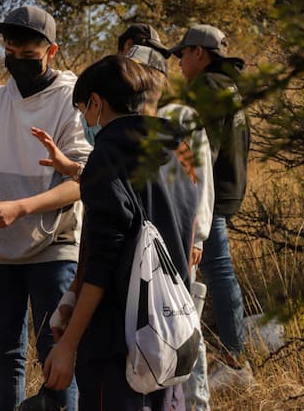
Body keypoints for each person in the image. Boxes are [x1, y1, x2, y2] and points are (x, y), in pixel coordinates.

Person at [0, 5, 91, 411]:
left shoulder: (71, 101)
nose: (18, 62)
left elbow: (82, 182)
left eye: (28, 56)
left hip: (54, 245)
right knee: (5, 353)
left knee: (55, 352)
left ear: (52, 51)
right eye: (11, 52)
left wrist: (22, 208)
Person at [42, 55, 196, 410]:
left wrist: (68, 345)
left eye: (83, 110)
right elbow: (186, 242)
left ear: (96, 103)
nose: (84, 121)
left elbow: (102, 263)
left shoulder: (106, 157)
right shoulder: (180, 151)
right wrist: (71, 296)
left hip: (118, 346)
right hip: (172, 336)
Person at [126, 44, 214, 410]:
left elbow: (202, 179)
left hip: (179, 239)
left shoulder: (180, 117)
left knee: (182, 324)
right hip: (138, 246)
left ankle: (198, 401)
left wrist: (200, 235)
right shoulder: (123, 123)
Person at [169, 24, 253, 389]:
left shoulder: (206, 88)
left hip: (211, 194)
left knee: (218, 272)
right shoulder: (228, 85)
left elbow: (203, 152)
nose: (180, 62)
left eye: (182, 54)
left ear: (198, 53)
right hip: (228, 188)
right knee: (219, 272)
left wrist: (189, 197)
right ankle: (229, 354)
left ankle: (235, 362)